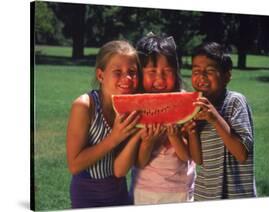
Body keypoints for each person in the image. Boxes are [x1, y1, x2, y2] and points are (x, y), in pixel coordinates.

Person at [66, 40, 143, 208]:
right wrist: (113, 139)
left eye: (132, 71)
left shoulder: (133, 108)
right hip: (87, 197)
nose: (127, 78)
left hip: (120, 193)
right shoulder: (85, 106)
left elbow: (122, 168)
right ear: (101, 75)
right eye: (118, 72)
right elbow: (74, 165)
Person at [182, 42, 257, 200]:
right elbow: (197, 159)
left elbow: (242, 154)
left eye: (209, 71)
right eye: (196, 71)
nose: (201, 76)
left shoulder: (235, 102)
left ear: (227, 76)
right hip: (205, 196)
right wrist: (192, 132)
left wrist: (215, 118)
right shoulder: (196, 107)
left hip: (237, 196)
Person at [130, 33, 196, 205]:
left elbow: (186, 156)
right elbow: (139, 161)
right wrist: (148, 142)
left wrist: (174, 137)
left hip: (180, 191)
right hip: (144, 190)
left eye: (167, 71)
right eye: (152, 72)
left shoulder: (184, 101)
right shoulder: (135, 104)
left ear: (176, 72)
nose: (159, 79)